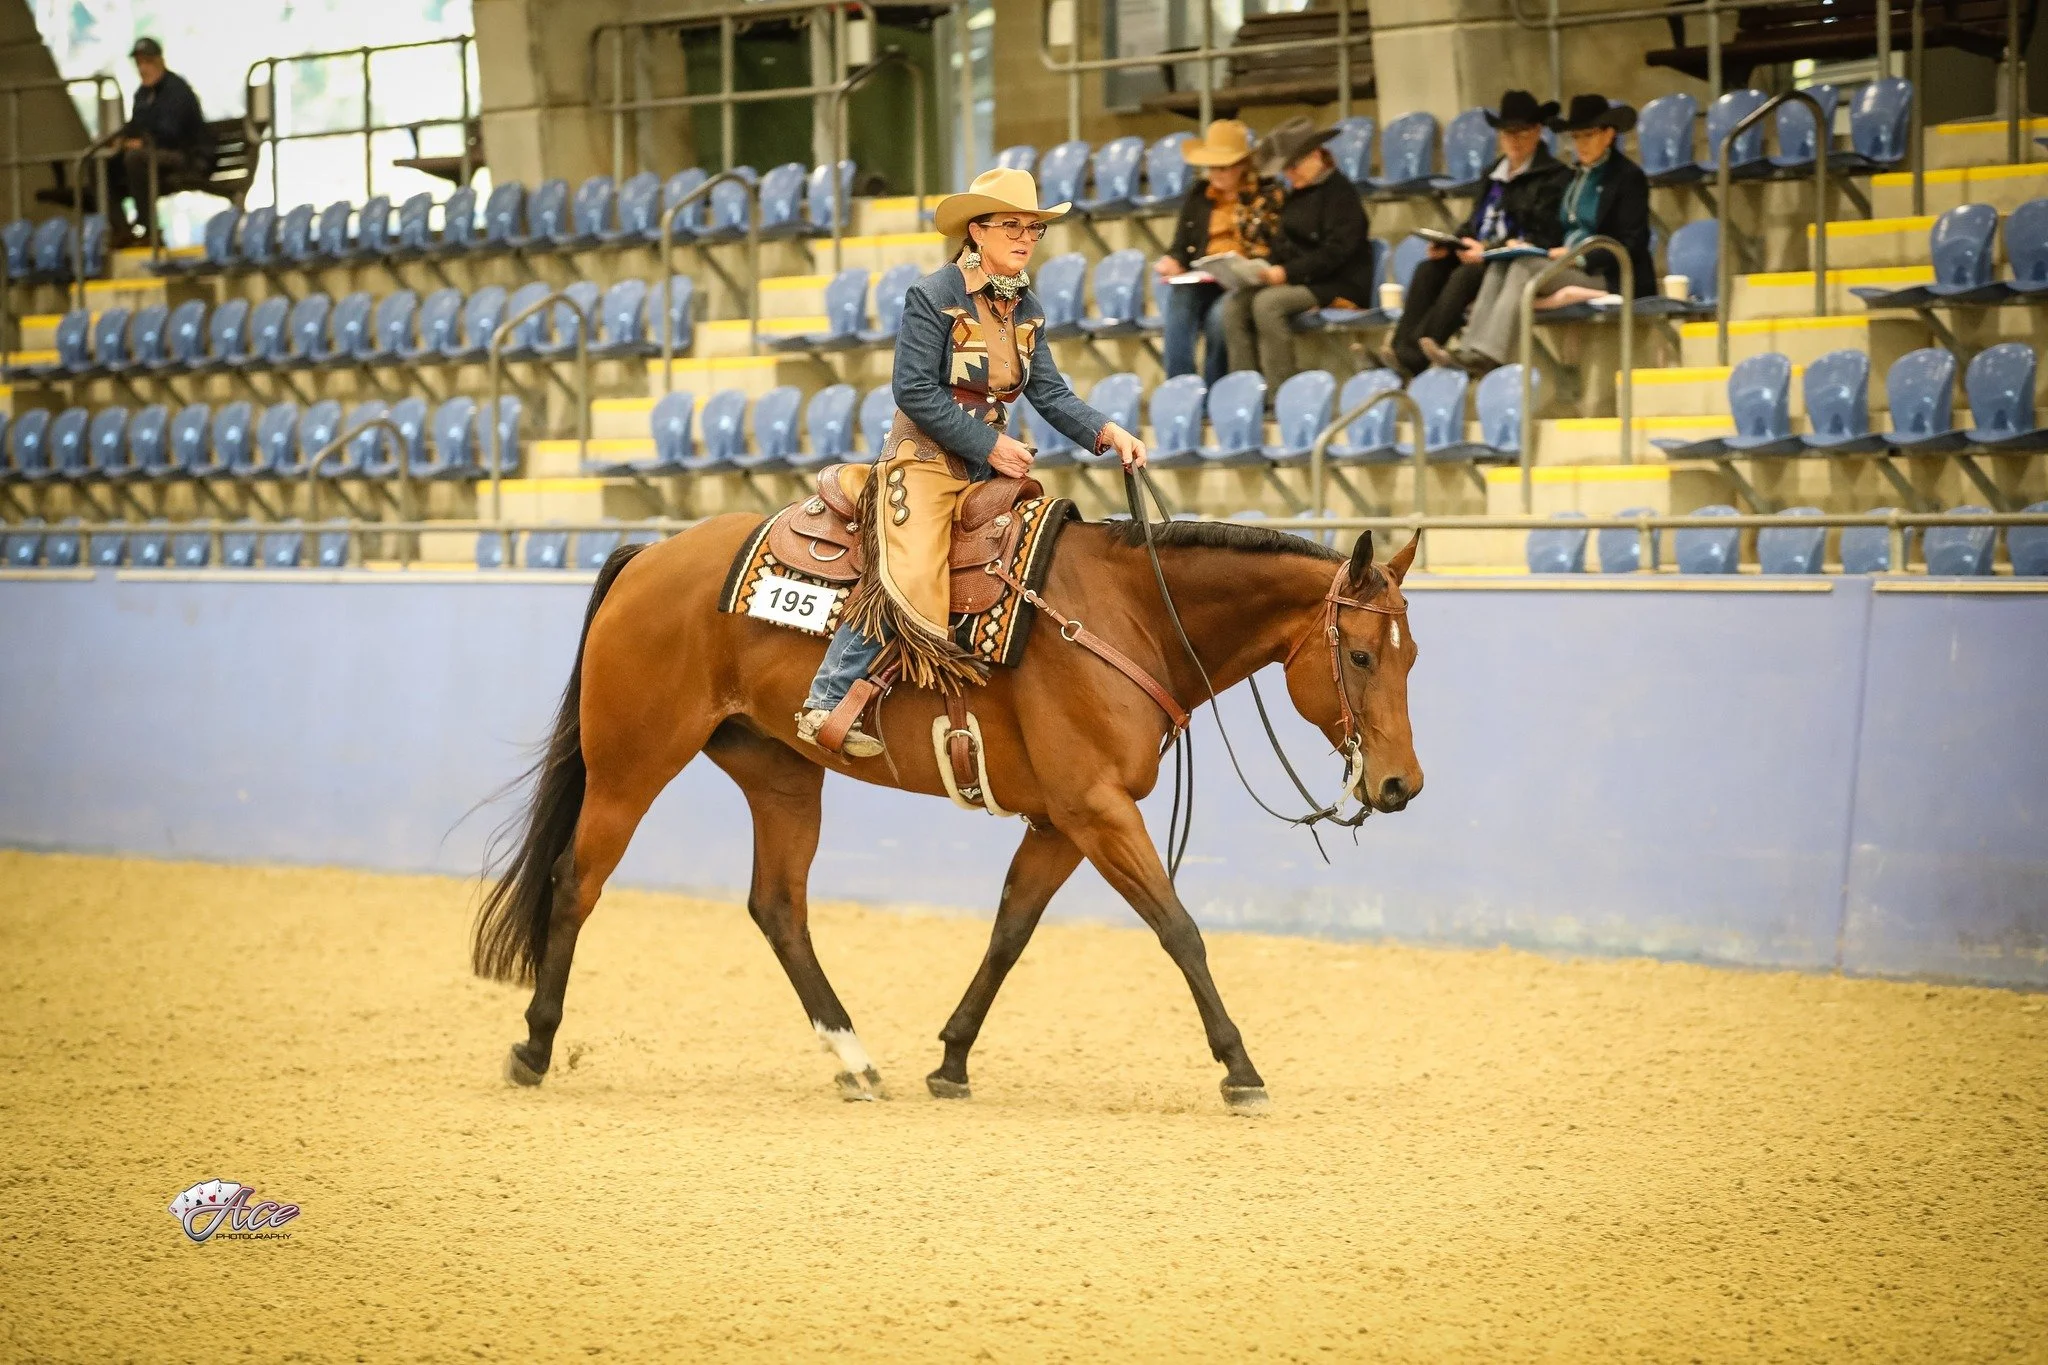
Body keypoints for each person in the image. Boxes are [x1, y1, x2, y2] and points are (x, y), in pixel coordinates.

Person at [795, 168, 1150, 758]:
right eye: (1011, 225)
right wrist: (988, 445)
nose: (1025, 237)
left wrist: (1107, 431)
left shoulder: (1027, 304)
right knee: (907, 563)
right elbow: (913, 391)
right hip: (925, 461)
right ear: (976, 231)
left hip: (990, 469)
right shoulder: (933, 296)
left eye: (1032, 228)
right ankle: (826, 698)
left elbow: (1050, 392)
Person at [1438, 95, 1656, 374]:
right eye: (1576, 137)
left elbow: (1632, 242)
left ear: (1609, 134)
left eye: (1588, 135)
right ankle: (1472, 348)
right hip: (1567, 262)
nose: (1581, 145)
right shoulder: (1579, 175)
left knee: (1524, 267)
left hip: (1608, 271)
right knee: (1502, 262)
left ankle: (1489, 354)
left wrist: (1578, 257)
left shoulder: (1627, 177)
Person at [1388, 89, 1567, 378]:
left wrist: (1488, 249)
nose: (1513, 141)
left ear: (1537, 132)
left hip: (1506, 259)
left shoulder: (1555, 176)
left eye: (1521, 133)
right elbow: (1475, 220)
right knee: (1428, 270)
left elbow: (1544, 232)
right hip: (1479, 250)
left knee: (1464, 277)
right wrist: (1451, 243)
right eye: (1507, 134)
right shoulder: (1493, 171)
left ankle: (1415, 359)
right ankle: (1399, 351)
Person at [1220, 119, 1373, 393]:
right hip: (1301, 279)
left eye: (1293, 167)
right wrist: (1259, 269)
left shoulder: (1341, 194)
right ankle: (1245, 391)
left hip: (1338, 282)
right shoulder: (1296, 195)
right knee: (1234, 306)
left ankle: (1281, 392)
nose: (1289, 175)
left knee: (1268, 304)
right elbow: (1283, 244)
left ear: (1316, 156)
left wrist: (1287, 273)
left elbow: (1337, 252)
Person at [1154, 119, 1285, 384]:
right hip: (1204, 276)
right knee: (1179, 302)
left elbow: (1278, 246)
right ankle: (1180, 387)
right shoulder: (1200, 194)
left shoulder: (1268, 195)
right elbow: (1181, 246)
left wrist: (1252, 268)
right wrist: (1174, 262)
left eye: (1224, 167)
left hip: (1246, 279)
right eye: (1212, 167)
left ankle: (1216, 392)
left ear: (1242, 166)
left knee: (1219, 319)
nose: (1217, 174)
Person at [104, 38, 215, 246]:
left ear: (160, 61)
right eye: (139, 63)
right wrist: (118, 140)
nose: (143, 68)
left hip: (183, 156)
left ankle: (150, 230)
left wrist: (143, 142)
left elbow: (172, 133)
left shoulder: (178, 91)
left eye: (147, 62)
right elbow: (136, 124)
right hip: (152, 156)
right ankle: (120, 228)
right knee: (102, 163)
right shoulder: (142, 94)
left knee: (135, 159)